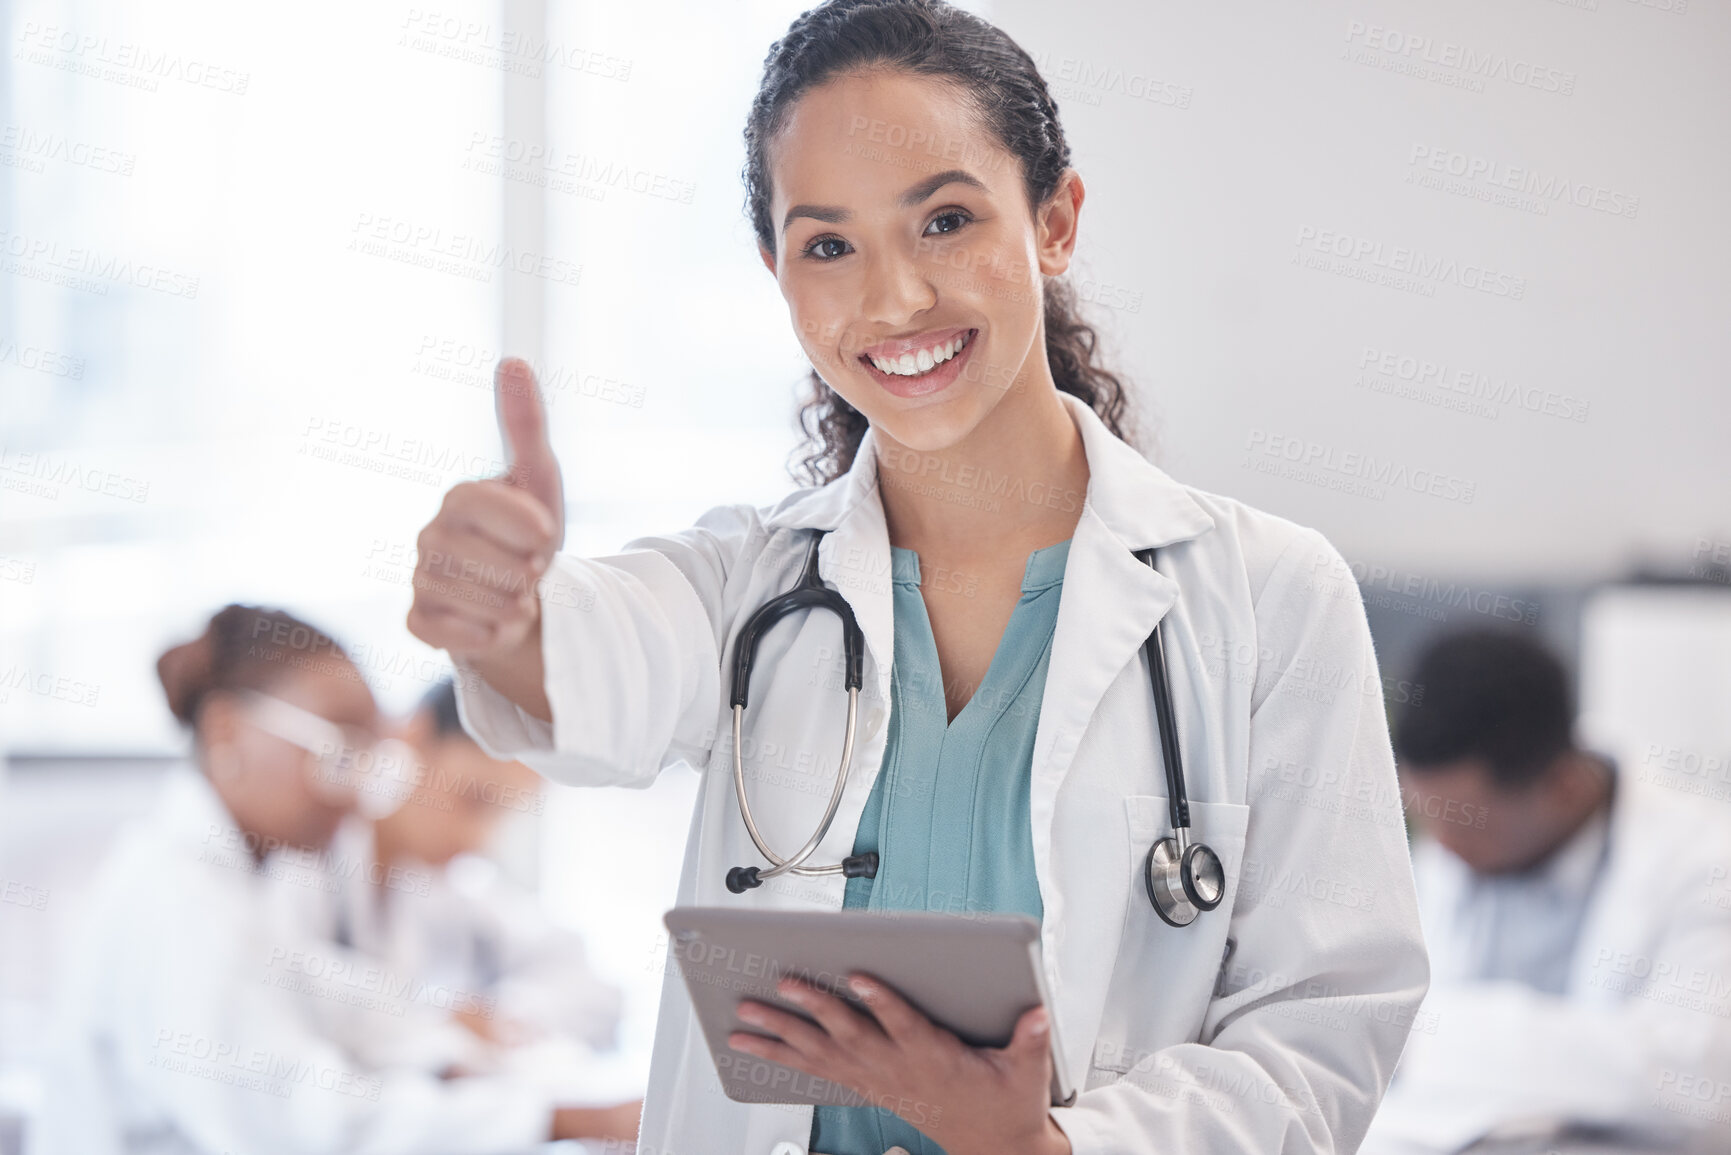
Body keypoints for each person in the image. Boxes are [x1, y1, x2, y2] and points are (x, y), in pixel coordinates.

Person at [405, 2, 1430, 1152]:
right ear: (778, 274)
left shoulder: (1268, 597)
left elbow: (1323, 1025)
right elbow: (592, 661)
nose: (893, 301)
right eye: (829, 245)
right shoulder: (756, 590)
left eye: (944, 220)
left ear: (1055, 220)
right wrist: (499, 615)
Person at [37, 604, 640, 1155]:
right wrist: (563, 1119)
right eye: (338, 754)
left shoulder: (233, 886)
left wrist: (447, 1040)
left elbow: (334, 1000)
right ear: (226, 732)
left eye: (369, 757)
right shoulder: (179, 903)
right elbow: (307, 1125)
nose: (358, 793)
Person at [1361, 628, 1731, 1154]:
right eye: (1428, 822)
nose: (1444, 849)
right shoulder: (1456, 842)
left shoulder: (1705, 863)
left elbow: (1696, 1085)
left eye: (1466, 826)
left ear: (1564, 787)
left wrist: (1437, 1038)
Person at [317, 679, 630, 1096]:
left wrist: (506, 1014)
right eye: (476, 800)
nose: (478, 841)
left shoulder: (451, 890)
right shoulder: (305, 860)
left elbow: (593, 989)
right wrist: (436, 1020)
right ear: (414, 736)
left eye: (503, 817)